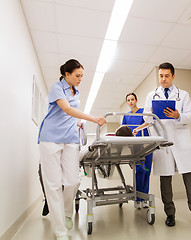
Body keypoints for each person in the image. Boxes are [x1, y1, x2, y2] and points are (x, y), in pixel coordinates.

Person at [38, 59, 106, 240]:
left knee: (73, 180)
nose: (80, 79)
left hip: (70, 139)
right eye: (77, 75)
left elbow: (70, 114)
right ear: (66, 74)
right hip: (51, 138)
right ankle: (60, 230)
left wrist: (77, 123)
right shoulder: (56, 87)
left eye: (82, 76)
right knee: (52, 185)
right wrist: (92, 118)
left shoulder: (76, 91)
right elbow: (66, 109)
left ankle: (67, 212)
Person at [140, 62, 191, 227]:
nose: (163, 79)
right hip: (163, 141)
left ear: (173, 76)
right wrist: (151, 113)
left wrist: (178, 115)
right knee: (165, 181)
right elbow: (146, 119)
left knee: (190, 179)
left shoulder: (183, 95)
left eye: (167, 76)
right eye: (161, 76)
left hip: (181, 142)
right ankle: (170, 214)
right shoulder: (152, 95)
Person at [122, 93, 153, 209]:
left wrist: (137, 129)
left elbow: (148, 122)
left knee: (147, 172)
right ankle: (137, 198)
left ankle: (144, 198)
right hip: (135, 147)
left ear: (136, 100)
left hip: (146, 145)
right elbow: (123, 129)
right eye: (128, 100)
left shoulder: (143, 112)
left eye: (132, 99)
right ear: (127, 102)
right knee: (139, 171)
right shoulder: (126, 115)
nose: (130, 101)